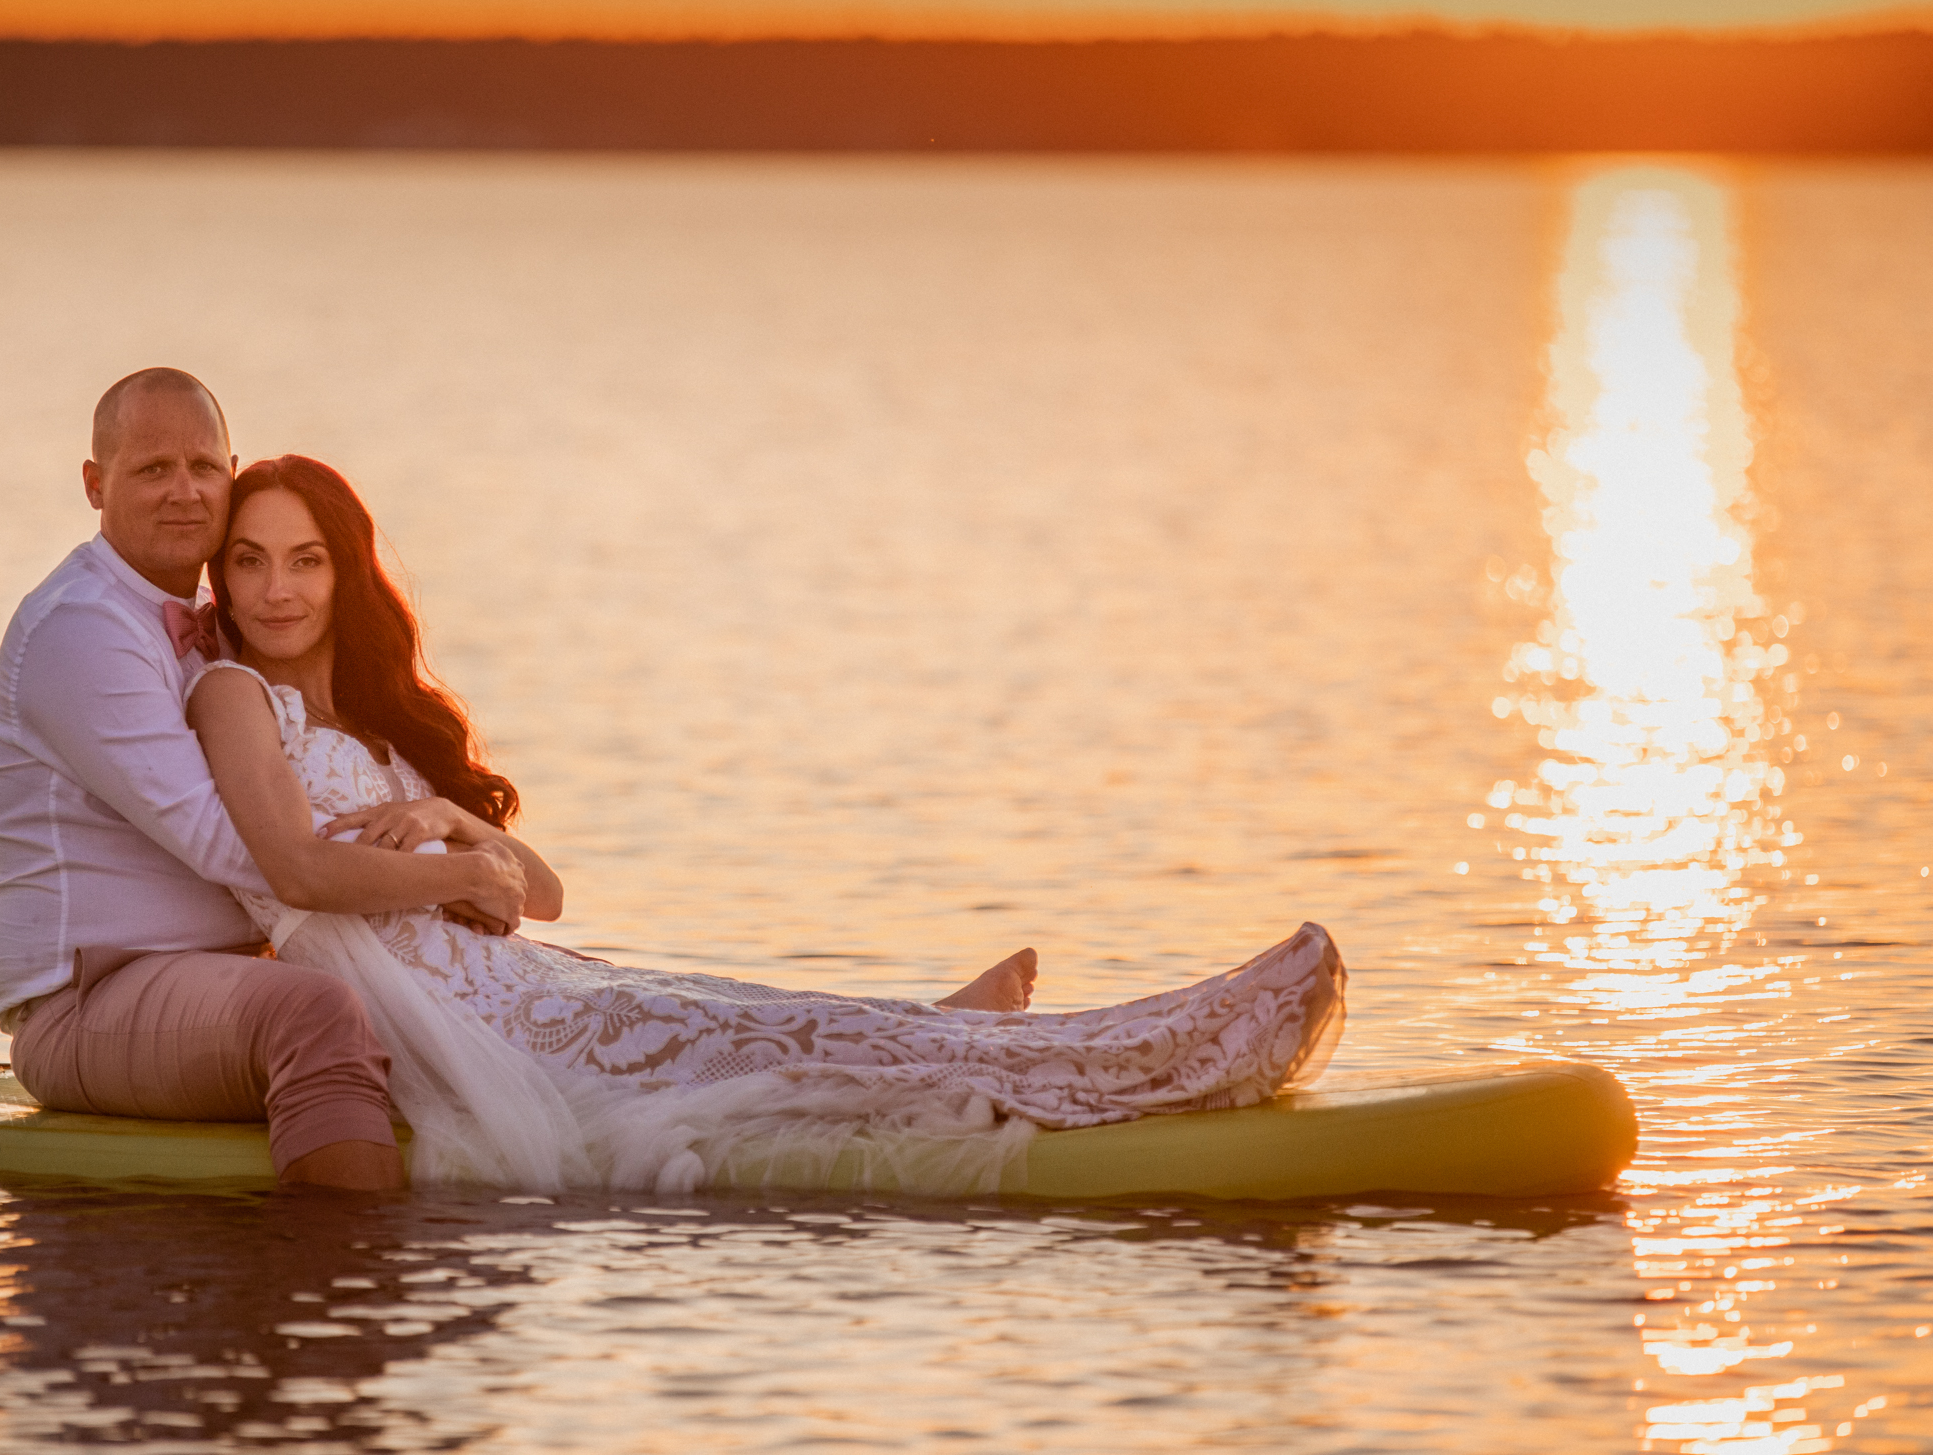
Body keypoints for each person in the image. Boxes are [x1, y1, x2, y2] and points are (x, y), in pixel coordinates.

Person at [183, 454, 1350, 1194]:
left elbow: (536, 895)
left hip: (516, 979)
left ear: (347, 573)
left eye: (306, 559)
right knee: (741, 1035)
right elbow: (300, 868)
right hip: (446, 1019)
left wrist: (451, 822)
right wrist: (454, 881)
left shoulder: (386, 726)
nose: (278, 588)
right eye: (250, 561)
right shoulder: (236, 696)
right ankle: (1153, 1054)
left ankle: (989, 1035)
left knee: (734, 1012)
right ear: (221, 581)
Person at [0, 368, 532, 1191]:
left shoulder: (215, 624)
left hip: (230, 973)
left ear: (230, 475)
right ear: (95, 484)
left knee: (491, 993)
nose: (185, 491)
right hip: (88, 998)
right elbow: (241, 849)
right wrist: (445, 878)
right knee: (317, 1012)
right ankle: (342, 1289)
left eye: (203, 467)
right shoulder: (83, 630)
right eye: (153, 469)